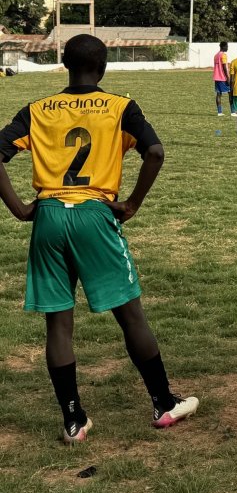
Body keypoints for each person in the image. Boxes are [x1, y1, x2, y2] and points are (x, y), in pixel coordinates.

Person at [0, 34, 198, 443]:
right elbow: (155, 153)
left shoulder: (37, 109)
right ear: (103, 67)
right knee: (130, 316)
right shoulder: (119, 106)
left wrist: (19, 208)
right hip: (94, 212)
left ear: (66, 65)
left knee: (58, 322)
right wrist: (132, 203)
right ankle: (163, 401)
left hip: (49, 215)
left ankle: (73, 420)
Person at [213, 41, 232, 116]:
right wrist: (228, 77)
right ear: (223, 46)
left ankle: (219, 112)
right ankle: (233, 111)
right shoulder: (223, 55)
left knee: (218, 94)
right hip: (223, 77)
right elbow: (224, 67)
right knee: (230, 93)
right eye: (227, 46)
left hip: (216, 77)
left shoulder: (216, 55)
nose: (227, 48)